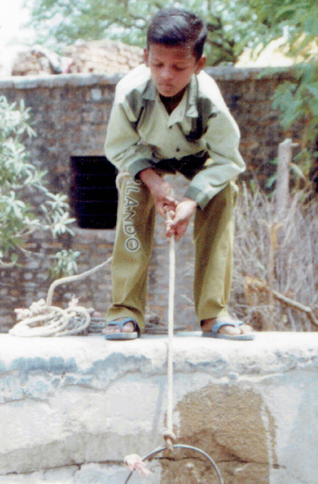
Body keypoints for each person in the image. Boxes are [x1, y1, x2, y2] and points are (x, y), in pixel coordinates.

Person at [102, 7, 253, 341]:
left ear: (199, 64)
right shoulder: (130, 92)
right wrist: (153, 181)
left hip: (197, 157)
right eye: (157, 64)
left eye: (178, 67)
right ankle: (125, 311)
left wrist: (191, 201)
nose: (166, 75)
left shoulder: (210, 101)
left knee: (223, 192)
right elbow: (119, 147)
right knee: (132, 190)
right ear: (146, 57)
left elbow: (228, 160)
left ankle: (214, 314)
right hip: (148, 157)